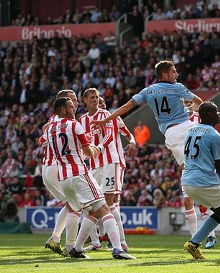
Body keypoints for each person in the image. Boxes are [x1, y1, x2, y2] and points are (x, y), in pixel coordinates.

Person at [93, 60, 203, 238]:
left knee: (187, 177)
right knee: (206, 155)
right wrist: (194, 111)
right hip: (187, 127)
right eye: (174, 71)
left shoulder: (148, 91)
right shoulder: (178, 88)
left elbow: (127, 106)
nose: (177, 74)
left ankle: (195, 236)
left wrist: (106, 119)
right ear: (165, 75)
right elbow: (199, 103)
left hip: (171, 135)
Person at [45, 97, 135, 259]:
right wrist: (97, 148)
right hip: (79, 173)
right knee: (105, 208)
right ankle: (118, 248)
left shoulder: (50, 128)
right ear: (63, 110)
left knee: (87, 211)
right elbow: (88, 153)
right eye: (71, 107)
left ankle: (76, 248)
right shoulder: (75, 124)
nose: (75, 109)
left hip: (64, 178)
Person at [182, 102, 220, 260]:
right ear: (208, 115)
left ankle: (194, 243)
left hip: (187, 182)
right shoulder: (214, 135)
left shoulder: (191, 131)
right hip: (204, 181)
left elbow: (200, 156)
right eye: (216, 112)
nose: (219, 114)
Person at [80, 92, 136, 251]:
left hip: (112, 161)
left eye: (99, 99)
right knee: (92, 203)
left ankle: (120, 242)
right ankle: (97, 240)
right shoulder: (82, 120)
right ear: (85, 100)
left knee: (110, 202)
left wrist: (132, 142)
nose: (98, 102)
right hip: (94, 164)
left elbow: (118, 135)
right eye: (93, 98)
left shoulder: (110, 117)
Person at [40, 90, 81, 256]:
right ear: (63, 105)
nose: (76, 104)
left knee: (70, 204)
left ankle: (56, 239)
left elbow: (42, 139)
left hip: (49, 168)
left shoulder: (53, 121)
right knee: (76, 206)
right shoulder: (61, 121)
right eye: (72, 101)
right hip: (58, 168)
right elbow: (41, 141)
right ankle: (70, 246)